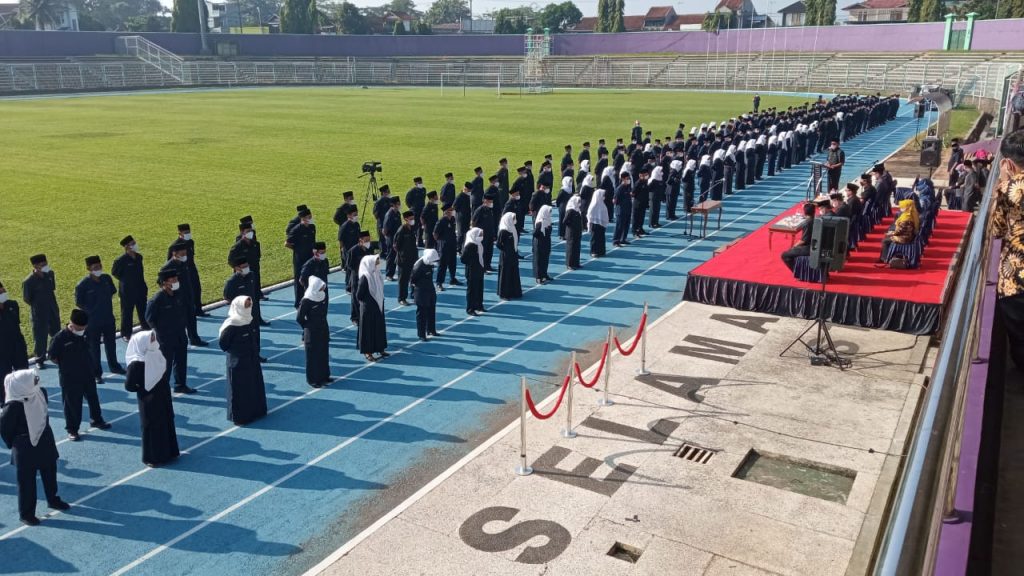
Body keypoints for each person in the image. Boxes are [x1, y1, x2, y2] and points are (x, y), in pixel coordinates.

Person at [1, 369, 70, 526]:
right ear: (21, 385)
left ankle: (53, 499)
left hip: (44, 438)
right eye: (33, 379)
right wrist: (14, 444)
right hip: (24, 446)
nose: (37, 381)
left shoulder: (40, 392)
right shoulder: (12, 406)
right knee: (26, 481)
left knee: (50, 472)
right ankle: (26, 513)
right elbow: (5, 429)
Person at [48, 309, 111, 441]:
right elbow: (52, 356)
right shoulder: (60, 338)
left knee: (93, 398)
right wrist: (66, 365)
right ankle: (72, 430)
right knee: (72, 404)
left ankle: (97, 420)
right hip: (69, 377)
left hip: (87, 372)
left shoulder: (86, 332)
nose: (81, 330)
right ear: (71, 323)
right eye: (78, 328)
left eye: (83, 328)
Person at [991, 130, 1024, 369]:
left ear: (1009, 163)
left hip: (1017, 279)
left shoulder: (1010, 188)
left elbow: (997, 229)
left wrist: (1003, 181)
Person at [124, 330, 179, 467]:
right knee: (165, 422)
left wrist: (140, 388)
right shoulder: (157, 353)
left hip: (148, 399)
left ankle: (153, 458)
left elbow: (129, 385)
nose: (154, 341)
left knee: (150, 426)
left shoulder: (136, 363)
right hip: (163, 393)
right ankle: (170, 452)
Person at [146, 268, 196, 395]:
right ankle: (162, 390)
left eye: (176, 279)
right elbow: (149, 319)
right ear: (165, 282)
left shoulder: (179, 294)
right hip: (165, 338)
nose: (176, 281)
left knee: (181, 361)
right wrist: (160, 333)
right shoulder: (157, 299)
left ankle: (180, 385)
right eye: (173, 279)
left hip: (180, 334)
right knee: (165, 365)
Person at [75, 255, 125, 383]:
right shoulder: (83, 285)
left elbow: (112, 291)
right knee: (94, 348)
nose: (99, 269)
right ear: (88, 268)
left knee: (111, 344)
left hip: (108, 318)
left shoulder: (106, 278)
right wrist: (91, 311)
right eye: (95, 267)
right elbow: (79, 302)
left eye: (100, 266)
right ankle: (96, 373)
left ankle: (114, 366)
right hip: (93, 322)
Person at [218, 296, 266, 425]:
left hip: (252, 359)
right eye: (246, 305)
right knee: (240, 390)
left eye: (249, 305)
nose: (248, 308)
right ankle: (241, 417)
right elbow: (223, 344)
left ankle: (257, 411)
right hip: (238, 363)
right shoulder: (231, 325)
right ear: (238, 307)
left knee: (254, 385)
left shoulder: (249, 320)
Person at [163, 241, 207, 348]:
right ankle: (177, 342)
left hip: (188, 295)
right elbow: (161, 282)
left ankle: (194, 338)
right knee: (178, 322)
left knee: (191, 319)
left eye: (185, 254)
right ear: (175, 254)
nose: (184, 256)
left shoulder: (184, 263)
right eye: (182, 254)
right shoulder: (168, 267)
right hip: (177, 298)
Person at [224, 256, 267, 364]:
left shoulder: (251, 275)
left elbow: (254, 290)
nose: (246, 268)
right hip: (240, 316)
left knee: (255, 334)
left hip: (253, 312)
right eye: (244, 267)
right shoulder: (232, 282)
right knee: (243, 337)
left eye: (247, 265)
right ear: (237, 268)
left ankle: (256, 355)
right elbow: (227, 297)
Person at [22, 254, 60, 370]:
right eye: (42, 265)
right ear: (35, 266)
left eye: (46, 263)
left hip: (52, 309)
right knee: (40, 337)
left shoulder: (50, 274)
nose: (45, 266)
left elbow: (52, 288)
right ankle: (40, 359)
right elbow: (27, 299)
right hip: (39, 313)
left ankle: (56, 355)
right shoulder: (28, 281)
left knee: (56, 334)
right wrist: (39, 306)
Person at [297, 276, 332, 388]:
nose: (323, 289)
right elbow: (299, 318)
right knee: (313, 357)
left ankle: (324, 376)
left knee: (323, 353)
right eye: (321, 287)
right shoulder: (306, 300)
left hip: (323, 328)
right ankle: (313, 380)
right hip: (312, 332)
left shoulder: (322, 296)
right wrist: (307, 326)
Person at [112, 235, 149, 341]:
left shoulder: (139, 257)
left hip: (140, 288)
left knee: (143, 309)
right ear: (126, 247)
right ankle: (126, 333)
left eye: (134, 242)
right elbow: (115, 273)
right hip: (127, 292)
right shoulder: (120, 260)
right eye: (132, 244)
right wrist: (126, 280)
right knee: (127, 313)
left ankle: (146, 327)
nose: (135, 245)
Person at [168, 224, 206, 319]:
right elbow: (169, 262)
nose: (188, 234)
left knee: (197, 288)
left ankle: (198, 309)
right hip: (181, 272)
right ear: (180, 233)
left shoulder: (191, 242)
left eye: (189, 232)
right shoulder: (174, 246)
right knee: (184, 293)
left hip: (192, 269)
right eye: (186, 232)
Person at [0, 281, 29, 404]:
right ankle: (5, 401)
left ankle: (26, 396)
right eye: (0, 292)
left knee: (23, 372)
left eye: (3, 290)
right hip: (2, 349)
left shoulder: (13, 305)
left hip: (17, 345)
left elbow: (16, 323)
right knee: (3, 376)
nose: (3, 294)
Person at [356, 256, 390, 361]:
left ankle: (380, 348)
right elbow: (359, 295)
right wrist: (368, 301)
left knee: (379, 327)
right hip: (368, 308)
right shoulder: (365, 277)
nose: (378, 263)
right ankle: (368, 352)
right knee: (368, 330)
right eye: (376, 262)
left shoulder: (377, 274)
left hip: (378, 304)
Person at [286, 207, 317, 308]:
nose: (311, 218)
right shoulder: (296, 230)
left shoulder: (312, 227)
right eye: (309, 217)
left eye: (311, 216)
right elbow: (287, 243)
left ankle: (310, 298)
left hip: (310, 257)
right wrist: (297, 249)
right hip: (299, 258)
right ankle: (299, 302)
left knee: (310, 278)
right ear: (303, 218)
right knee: (299, 279)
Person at [411, 249, 440, 341]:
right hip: (421, 291)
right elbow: (413, 279)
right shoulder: (419, 266)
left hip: (430, 289)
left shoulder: (429, 263)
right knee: (422, 313)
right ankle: (421, 334)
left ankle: (431, 330)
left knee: (432, 309)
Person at [346, 231, 374, 326]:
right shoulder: (353, 251)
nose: (368, 242)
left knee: (366, 295)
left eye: (369, 240)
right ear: (360, 240)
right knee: (355, 297)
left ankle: (365, 314)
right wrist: (360, 269)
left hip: (367, 276)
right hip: (356, 277)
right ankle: (355, 317)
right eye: (366, 240)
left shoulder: (370, 248)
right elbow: (349, 265)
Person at [781, 203, 816, 271]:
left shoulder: (807, 223)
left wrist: (793, 247)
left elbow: (803, 241)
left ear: (804, 212)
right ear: (814, 212)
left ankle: (797, 271)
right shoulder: (816, 220)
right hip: (815, 245)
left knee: (784, 255)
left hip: (808, 248)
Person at [496, 213, 523, 300]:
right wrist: (506, 250)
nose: (514, 220)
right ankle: (504, 294)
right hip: (506, 256)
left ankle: (514, 291)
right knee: (506, 274)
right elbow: (498, 244)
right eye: (513, 218)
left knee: (513, 272)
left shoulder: (512, 228)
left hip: (513, 254)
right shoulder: (503, 231)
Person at [395, 210, 419, 306]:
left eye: (413, 218)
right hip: (403, 259)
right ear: (405, 219)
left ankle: (413, 294)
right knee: (403, 280)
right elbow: (396, 246)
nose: (413, 220)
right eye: (410, 219)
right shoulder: (401, 230)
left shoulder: (412, 228)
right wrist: (403, 254)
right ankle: (402, 298)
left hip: (413, 257)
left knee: (414, 277)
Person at [434, 202, 459, 290]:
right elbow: (435, 234)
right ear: (446, 211)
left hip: (452, 244)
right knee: (442, 265)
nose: (452, 211)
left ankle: (453, 278)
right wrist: (441, 242)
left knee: (453, 263)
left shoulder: (452, 219)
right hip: (444, 246)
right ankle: (439, 283)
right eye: (450, 210)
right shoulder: (441, 221)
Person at [462, 228, 486, 315]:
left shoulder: (479, 244)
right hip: (472, 271)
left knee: (479, 288)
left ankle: (479, 305)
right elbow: (463, 259)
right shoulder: (469, 246)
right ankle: (470, 308)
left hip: (479, 269)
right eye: (480, 234)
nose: (482, 236)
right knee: (472, 290)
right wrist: (472, 262)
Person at [472, 192, 498, 272]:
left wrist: (493, 234)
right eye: (489, 201)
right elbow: (474, 222)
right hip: (482, 235)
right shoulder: (480, 210)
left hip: (490, 234)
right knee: (482, 252)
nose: (491, 203)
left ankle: (488, 266)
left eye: (492, 201)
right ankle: (482, 267)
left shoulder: (490, 210)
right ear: (485, 201)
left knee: (489, 251)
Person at [338, 205, 361, 291]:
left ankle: (355, 283)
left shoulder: (357, 224)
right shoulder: (344, 226)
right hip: (348, 250)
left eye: (356, 214)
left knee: (356, 267)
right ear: (349, 215)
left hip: (356, 250)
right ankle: (348, 286)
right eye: (354, 215)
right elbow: (340, 240)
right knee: (349, 269)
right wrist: (343, 250)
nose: (356, 216)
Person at [532, 206, 554, 284]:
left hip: (546, 242)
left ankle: (544, 274)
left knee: (545, 259)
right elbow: (535, 233)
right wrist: (541, 236)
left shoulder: (548, 220)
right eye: (549, 211)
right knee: (539, 260)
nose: (550, 213)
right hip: (539, 243)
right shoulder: (540, 222)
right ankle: (538, 277)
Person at [382, 196, 402, 280]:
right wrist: (389, 239)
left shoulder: (397, 213)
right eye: (398, 204)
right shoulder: (389, 214)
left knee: (396, 255)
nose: (399, 205)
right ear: (393, 205)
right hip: (391, 238)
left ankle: (394, 272)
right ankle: (389, 274)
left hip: (397, 237)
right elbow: (385, 229)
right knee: (391, 256)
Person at [613, 171, 633, 247]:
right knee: (619, 226)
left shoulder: (627, 187)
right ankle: (616, 241)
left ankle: (623, 239)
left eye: (629, 178)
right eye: (627, 178)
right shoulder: (619, 189)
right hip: (621, 210)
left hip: (627, 209)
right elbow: (615, 200)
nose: (628, 180)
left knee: (626, 225)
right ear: (623, 179)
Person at [406, 177, 427, 248]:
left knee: (421, 227)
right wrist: (413, 208)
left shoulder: (423, 190)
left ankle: (420, 242)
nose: (421, 183)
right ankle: (412, 241)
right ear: (415, 183)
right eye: (419, 182)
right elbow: (408, 201)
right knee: (413, 227)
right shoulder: (412, 191)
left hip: (422, 211)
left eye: (421, 182)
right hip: (414, 212)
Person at [588, 188, 609, 258]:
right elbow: (589, 215)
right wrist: (590, 223)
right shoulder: (593, 205)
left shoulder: (602, 204)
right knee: (594, 238)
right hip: (594, 223)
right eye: (603, 195)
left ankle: (601, 250)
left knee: (601, 237)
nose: (604, 197)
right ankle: (593, 251)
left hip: (601, 224)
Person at [564, 195, 583, 270]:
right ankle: (569, 264)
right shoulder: (570, 210)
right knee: (571, 248)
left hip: (577, 232)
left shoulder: (577, 210)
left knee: (577, 247)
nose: (579, 203)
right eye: (578, 201)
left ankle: (576, 263)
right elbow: (565, 221)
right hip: (571, 232)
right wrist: (572, 225)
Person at [455, 181, 473, 251]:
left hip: (466, 218)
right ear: (466, 189)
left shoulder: (467, 196)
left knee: (465, 233)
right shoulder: (460, 196)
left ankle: (463, 248)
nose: (470, 192)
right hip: (461, 218)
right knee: (461, 234)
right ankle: (458, 248)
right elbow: (455, 206)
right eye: (469, 190)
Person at [556, 176, 573, 240]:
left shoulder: (570, 189)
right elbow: (558, 199)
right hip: (563, 207)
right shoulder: (562, 190)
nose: (570, 183)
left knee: (567, 220)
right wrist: (559, 206)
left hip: (568, 207)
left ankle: (566, 233)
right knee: (562, 221)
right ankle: (561, 234)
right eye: (569, 181)